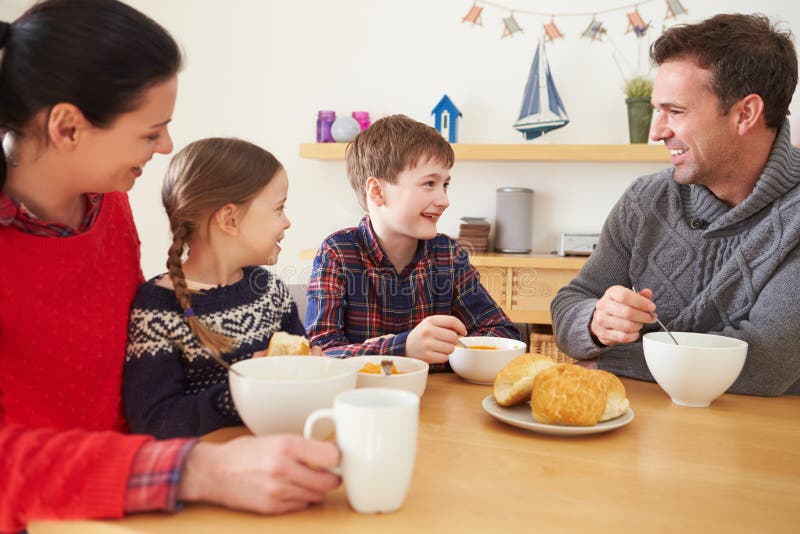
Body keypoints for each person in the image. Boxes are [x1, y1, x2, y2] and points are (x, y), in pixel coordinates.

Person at [0, 2, 338, 532]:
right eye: (149, 132)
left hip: (138, 499)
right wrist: (196, 469)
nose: (166, 147)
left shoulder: (108, 201)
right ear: (67, 127)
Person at [550, 13, 800, 396]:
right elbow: (572, 301)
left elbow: (763, 364)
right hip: (641, 429)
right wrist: (596, 324)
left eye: (676, 111)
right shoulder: (646, 199)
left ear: (745, 114)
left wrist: (608, 360)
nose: (656, 132)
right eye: (657, 110)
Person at [124, 138, 312, 439]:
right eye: (279, 209)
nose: (287, 222)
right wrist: (244, 390)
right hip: (212, 472)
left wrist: (312, 371)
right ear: (229, 219)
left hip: (279, 454)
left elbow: (299, 382)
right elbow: (154, 421)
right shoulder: (158, 310)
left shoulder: (270, 292)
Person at [305, 114, 520, 367]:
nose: (444, 200)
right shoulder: (338, 253)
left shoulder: (448, 255)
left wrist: (447, 348)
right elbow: (318, 355)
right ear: (377, 191)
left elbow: (503, 334)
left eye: (445, 185)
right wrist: (404, 347)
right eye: (429, 183)